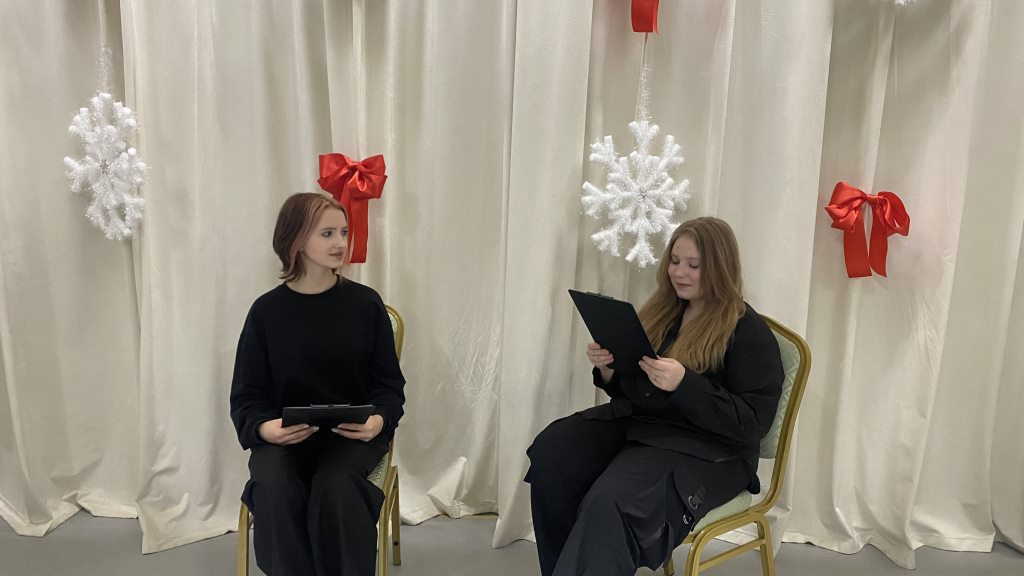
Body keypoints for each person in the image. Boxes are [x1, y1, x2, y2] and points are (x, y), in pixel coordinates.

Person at [526, 217, 784, 576]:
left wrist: (685, 384)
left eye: (694, 265)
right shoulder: (665, 311)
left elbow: (752, 423)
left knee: (612, 501)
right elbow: (638, 388)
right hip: (645, 426)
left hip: (710, 450)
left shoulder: (749, 333)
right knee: (554, 456)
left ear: (720, 267)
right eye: (675, 261)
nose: (679, 272)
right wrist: (610, 371)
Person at [230, 192, 405, 576]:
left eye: (343, 232)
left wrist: (378, 421)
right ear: (295, 239)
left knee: (337, 487)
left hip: (353, 438)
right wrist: (265, 429)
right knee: (273, 485)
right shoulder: (265, 312)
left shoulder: (366, 305)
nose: (341, 242)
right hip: (284, 438)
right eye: (327, 233)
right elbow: (247, 396)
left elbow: (389, 386)